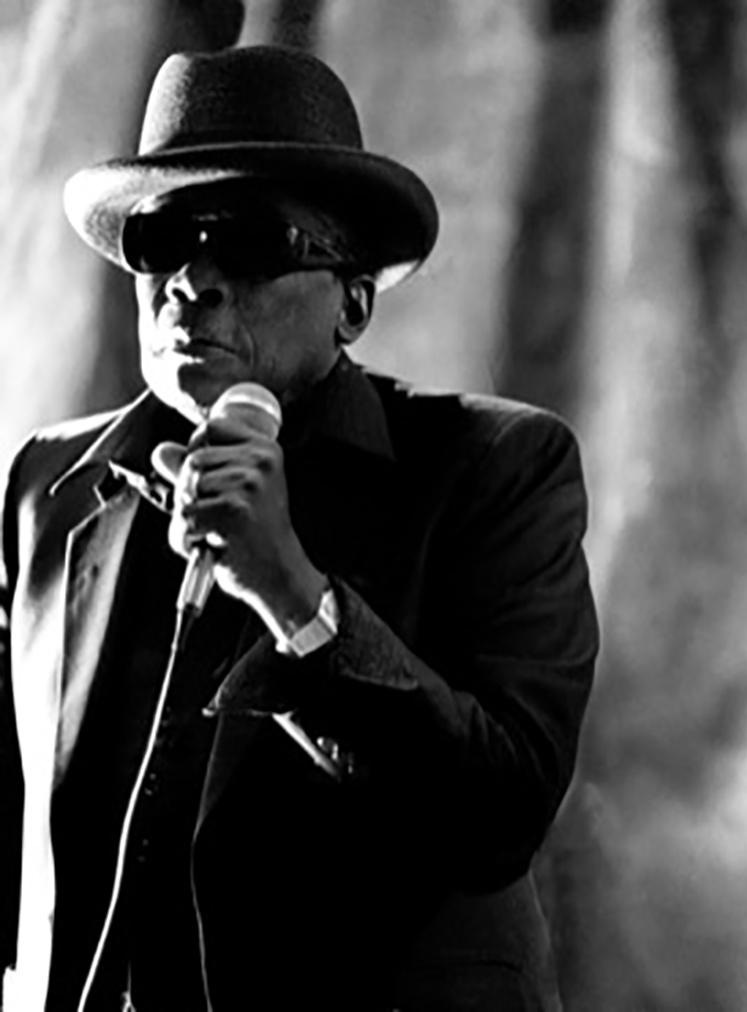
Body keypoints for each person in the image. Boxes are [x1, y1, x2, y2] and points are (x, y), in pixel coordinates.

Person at [0, 44, 597, 1011]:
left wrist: (295, 599)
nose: (191, 281)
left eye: (246, 239)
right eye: (161, 241)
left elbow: (499, 815)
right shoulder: (50, 486)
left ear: (352, 301)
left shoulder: (494, 470)